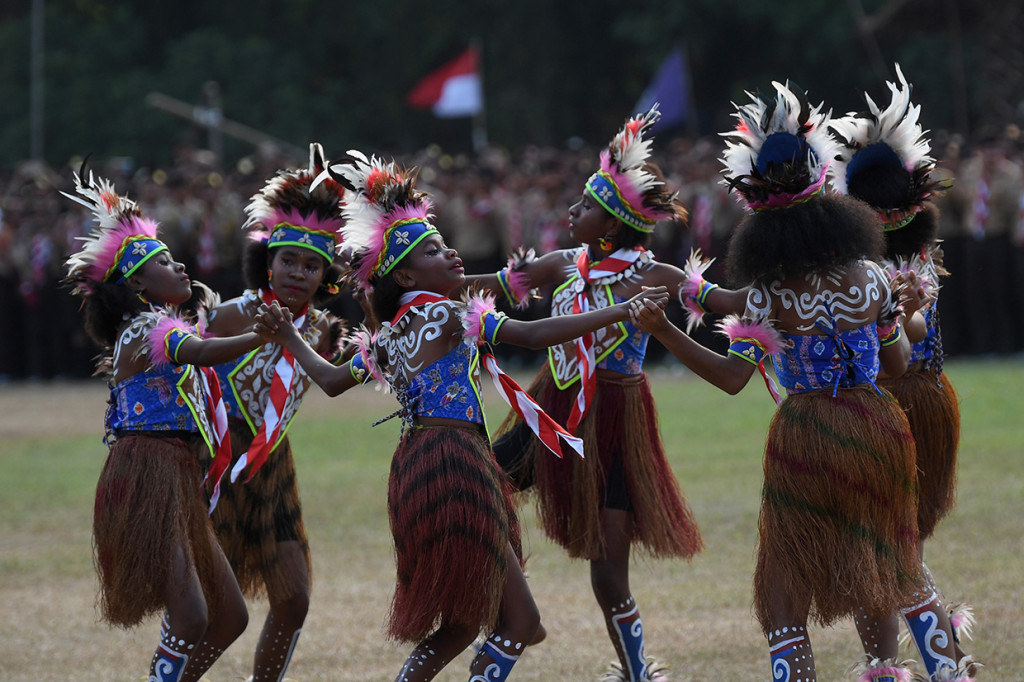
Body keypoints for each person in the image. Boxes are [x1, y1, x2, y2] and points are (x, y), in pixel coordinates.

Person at [254, 150, 670, 682]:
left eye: (444, 243)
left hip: (415, 469)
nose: (450, 252)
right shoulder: (446, 313)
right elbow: (532, 334)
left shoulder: (388, 335)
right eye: (433, 250)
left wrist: (289, 336)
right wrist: (622, 309)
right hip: (456, 464)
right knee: (518, 623)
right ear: (406, 274)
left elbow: (332, 381)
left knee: (463, 623)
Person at [631, 82, 936, 682]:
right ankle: (917, 672)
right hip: (879, 429)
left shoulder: (768, 293)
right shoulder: (873, 276)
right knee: (882, 570)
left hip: (807, 436)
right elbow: (898, 366)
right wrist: (903, 318)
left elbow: (731, 378)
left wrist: (664, 332)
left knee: (783, 596)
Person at [469, 106, 703, 681]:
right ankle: (513, 617)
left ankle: (637, 672)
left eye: (587, 205)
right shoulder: (562, 265)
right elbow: (488, 284)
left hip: (617, 422)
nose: (573, 210)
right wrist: (412, 282)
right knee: (478, 489)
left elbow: (721, 300)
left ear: (614, 224)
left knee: (609, 574)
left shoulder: (657, 276)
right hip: (552, 408)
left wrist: (785, 291)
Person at [62, 168, 264, 682]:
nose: (180, 266)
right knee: (193, 615)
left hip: (174, 473)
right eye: (165, 262)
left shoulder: (156, 326)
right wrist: (263, 335)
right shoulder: (149, 326)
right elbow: (201, 351)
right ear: (136, 282)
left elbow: (205, 359)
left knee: (230, 616)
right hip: (146, 473)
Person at [830, 65, 978, 680]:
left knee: (887, 546)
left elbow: (912, 331)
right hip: (887, 406)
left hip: (900, 410)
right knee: (879, 548)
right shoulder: (879, 262)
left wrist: (898, 314)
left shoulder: (905, 266)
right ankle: (897, 665)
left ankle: (938, 666)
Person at [201, 143, 350, 682]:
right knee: (208, 605)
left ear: (325, 277)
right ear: (268, 263)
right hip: (216, 459)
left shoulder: (325, 330)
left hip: (273, 465)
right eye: (288, 260)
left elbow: (340, 376)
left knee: (293, 598)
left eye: (311, 265)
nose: (297, 272)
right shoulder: (227, 316)